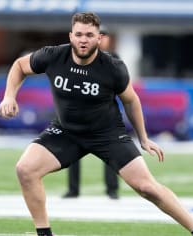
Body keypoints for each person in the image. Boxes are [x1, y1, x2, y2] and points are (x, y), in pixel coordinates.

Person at [0, 12, 193, 236]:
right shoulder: (53, 55)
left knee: (147, 188)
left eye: (89, 35)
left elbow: (131, 100)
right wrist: (9, 96)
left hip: (107, 134)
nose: (83, 39)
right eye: (79, 34)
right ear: (71, 36)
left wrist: (144, 138)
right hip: (66, 131)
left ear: (99, 38)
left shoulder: (113, 67)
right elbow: (19, 66)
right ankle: (44, 234)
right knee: (25, 169)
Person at [63, 25, 119, 200]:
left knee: (111, 153)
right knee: (72, 150)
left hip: (104, 115)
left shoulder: (114, 59)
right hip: (80, 114)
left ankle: (112, 189)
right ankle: (73, 189)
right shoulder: (78, 57)